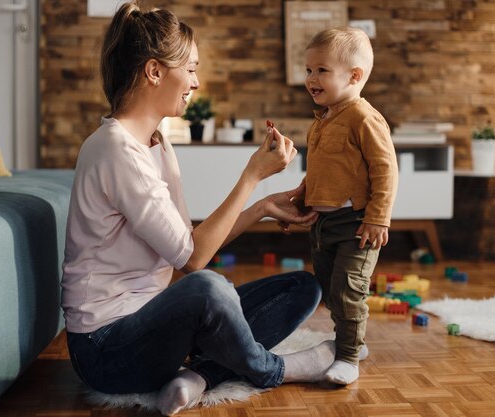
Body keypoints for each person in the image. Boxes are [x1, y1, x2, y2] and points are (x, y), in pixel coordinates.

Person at [60, 2, 337, 415]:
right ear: (155, 71)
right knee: (208, 287)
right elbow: (194, 261)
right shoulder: (114, 150)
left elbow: (190, 242)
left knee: (302, 288)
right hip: (105, 349)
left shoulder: (156, 143)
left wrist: (261, 206)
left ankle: (199, 377)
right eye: (189, 68)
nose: (196, 80)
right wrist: (251, 176)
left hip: (149, 324)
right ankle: (275, 369)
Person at [300, 27, 398, 385]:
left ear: (354, 76)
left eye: (321, 70)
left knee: (349, 289)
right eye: (309, 70)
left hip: (357, 222)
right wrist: (301, 199)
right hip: (324, 225)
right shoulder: (322, 120)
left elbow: (386, 171)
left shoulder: (364, 117)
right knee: (330, 290)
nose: (311, 78)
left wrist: (378, 218)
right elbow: (320, 172)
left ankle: (347, 357)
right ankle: (352, 339)